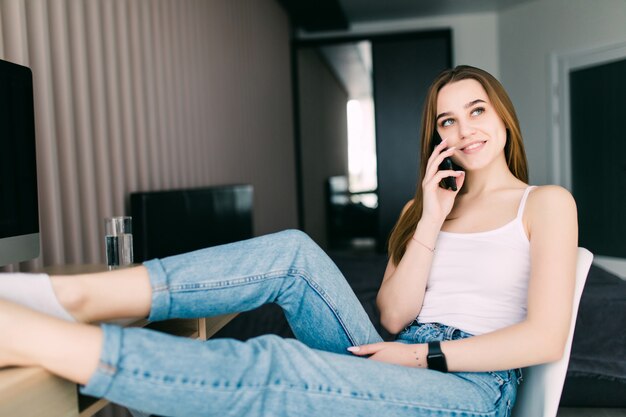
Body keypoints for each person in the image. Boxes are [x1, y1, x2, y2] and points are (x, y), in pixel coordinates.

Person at [0, 65, 577, 417]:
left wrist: (420, 358)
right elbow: (395, 316)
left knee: (281, 363)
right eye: (447, 120)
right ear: (437, 136)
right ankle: (73, 298)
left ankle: (41, 337)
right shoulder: (424, 208)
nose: (463, 129)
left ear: (504, 116)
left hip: (471, 391)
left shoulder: (545, 203)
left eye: (476, 110)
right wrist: (429, 216)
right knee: (295, 251)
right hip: (406, 355)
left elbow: (545, 337)